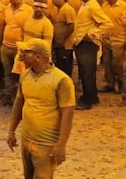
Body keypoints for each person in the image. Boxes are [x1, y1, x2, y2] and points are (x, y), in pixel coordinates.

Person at [7, 39, 75, 179]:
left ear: (38, 57)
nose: (21, 55)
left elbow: (67, 114)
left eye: (26, 52)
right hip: (26, 140)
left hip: (46, 144)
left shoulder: (61, 80)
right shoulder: (25, 75)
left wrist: (61, 146)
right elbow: (19, 103)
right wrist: (11, 131)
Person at [73, 0, 113, 110]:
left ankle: (87, 100)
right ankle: (93, 96)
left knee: (86, 72)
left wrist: (91, 34)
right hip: (82, 43)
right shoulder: (86, 5)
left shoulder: (93, 6)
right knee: (87, 72)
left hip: (88, 44)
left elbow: (107, 23)